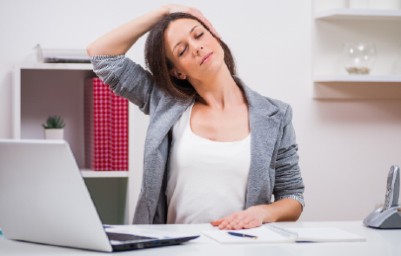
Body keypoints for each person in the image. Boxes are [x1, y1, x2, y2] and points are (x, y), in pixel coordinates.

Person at [87, 4, 305, 230]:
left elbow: (293, 197)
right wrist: (163, 12)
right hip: (175, 247)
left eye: (199, 34)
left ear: (214, 36)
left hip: (243, 247)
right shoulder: (163, 102)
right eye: (182, 50)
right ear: (178, 71)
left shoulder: (276, 115)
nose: (197, 47)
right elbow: (101, 55)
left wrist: (263, 212)